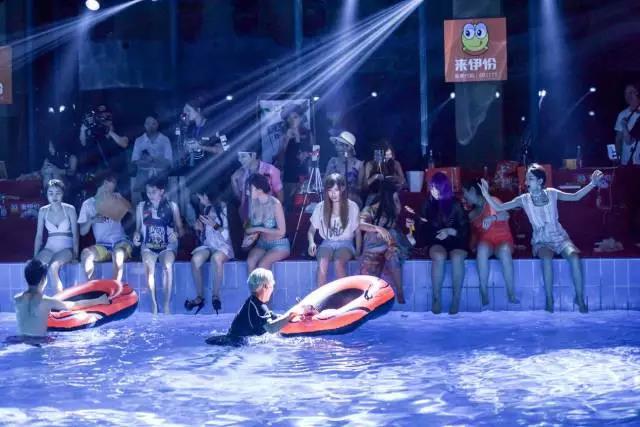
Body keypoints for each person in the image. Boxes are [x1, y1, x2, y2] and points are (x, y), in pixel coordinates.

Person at [479, 164, 604, 313]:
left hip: (560, 237)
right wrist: (486, 195)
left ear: (540, 181)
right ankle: (549, 300)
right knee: (546, 259)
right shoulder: (524, 199)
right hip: (541, 240)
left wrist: (592, 183)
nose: (526, 182)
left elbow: (575, 197)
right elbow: (500, 208)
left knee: (575, 257)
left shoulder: (552, 193)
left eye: (530, 179)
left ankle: (579, 298)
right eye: (526, 179)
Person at [13, 259, 109, 340]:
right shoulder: (46, 301)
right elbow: (74, 305)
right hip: (39, 341)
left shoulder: (17, 299)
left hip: (20, 339)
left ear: (26, 278)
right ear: (43, 280)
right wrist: (98, 300)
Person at [205, 268, 300, 346]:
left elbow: (271, 317)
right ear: (265, 286)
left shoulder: (254, 302)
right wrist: (289, 317)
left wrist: (289, 316)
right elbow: (271, 328)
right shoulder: (258, 307)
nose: (272, 289)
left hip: (234, 341)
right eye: (272, 285)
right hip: (236, 345)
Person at [418, 172, 469, 315]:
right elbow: (421, 228)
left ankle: (456, 298)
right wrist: (432, 234)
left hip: (456, 240)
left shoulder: (455, 204)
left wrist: (450, 231)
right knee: (439, 256)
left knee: (457, 257)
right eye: (432, 187)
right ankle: (436, 298)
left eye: (436, 188)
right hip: (436, 240)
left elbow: (465, 229)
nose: (433, 190)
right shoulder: (427, 204)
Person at [462, 179, 518, 306]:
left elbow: (506, 215)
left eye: (464, 193)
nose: (464, 197)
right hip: (486, 242)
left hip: (503, 240)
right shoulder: (472, 214)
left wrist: (493, 218)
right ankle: (483, 292)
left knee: (504, 251)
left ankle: (511, 293)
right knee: (481, 249)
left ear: (472, 191)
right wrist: (472, 246)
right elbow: (474, 235)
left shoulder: (492, 201)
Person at [133, 178, 184, 314]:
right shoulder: (141, 206)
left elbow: (181, 229)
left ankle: (166, 304)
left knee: (167, 266)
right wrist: (136, 236)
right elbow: (137, 229)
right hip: (148, 246)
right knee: (148, 266)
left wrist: (176, 234)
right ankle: (154, 303)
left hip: (167, 245)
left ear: (162, 191)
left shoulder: (172, 206)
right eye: (148, 192)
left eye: (153, 192)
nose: (150, 195)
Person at [359, 178, 408, 304]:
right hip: (373, 246)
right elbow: (360, 224)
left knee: (393, 257)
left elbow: (399, 212)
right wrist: (377, 228)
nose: (397, 203)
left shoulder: (393, 208)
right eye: (395, 199)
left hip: (391, 243)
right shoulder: (371, 209)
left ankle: (400, 291)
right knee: (369, 274)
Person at [308, 173, 361, 288]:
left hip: (346, 243)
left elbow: (357, 232)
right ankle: (321, 297)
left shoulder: (352, 206)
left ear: (342, 188)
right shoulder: (320, 207)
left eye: (336, 190)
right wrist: (311, 243)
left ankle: (346, 295)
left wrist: (358, 251)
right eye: (330, 190)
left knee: (338, 263)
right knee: (322, 264)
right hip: (327, 243)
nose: (333, 194)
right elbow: (311, 230)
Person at [185, 190, 234, 315]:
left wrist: (214, 225)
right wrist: (199, 229)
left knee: (216, 259)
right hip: (209, 245)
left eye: (201, 198)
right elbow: (205, 236)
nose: (200, 201)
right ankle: (200, 297)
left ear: (207, 195)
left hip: (224, 246)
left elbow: (228, 235)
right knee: (195, 260)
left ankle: (215, 296)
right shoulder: (206, 209)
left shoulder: (225, 209)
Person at [78, 172, 133, 282]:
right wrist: (92, 220)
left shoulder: (117, 197)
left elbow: (136, 214)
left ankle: (115, 288)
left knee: (118, 255)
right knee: (86, 255)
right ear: (105, 183)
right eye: (113, 182)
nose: (114, 186)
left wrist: (123, 201)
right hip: (102, 245)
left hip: (121, 242)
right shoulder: (88, 204)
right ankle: (93, 286)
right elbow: (82, 232)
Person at [33, 179, 79, 294]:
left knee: (53, 267)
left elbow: (75, 234)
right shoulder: (43, 211)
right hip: (49, 247)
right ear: (47, 195)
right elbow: (39, 236)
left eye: (58, 193)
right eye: (51, 193)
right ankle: (37, 299)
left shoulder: (70, 209)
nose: (54, 196)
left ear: (63, 194)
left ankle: (60, 300)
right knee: (37, 268)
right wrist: (35, 256)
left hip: (66, 248)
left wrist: (76, 255)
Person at [244, 173, 290, 273]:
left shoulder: (275, 204)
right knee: (250, 262)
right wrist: (250, 236)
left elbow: (282, 231)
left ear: (259, 190)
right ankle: (252, 284)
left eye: (249, 189)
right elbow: (248, 226)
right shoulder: (253, 203)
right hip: (262, 243)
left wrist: (259, 229)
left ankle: (266, 284)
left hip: (279, 244)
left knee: (262, 265)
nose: (247, 192)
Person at [131, 115, 173, 205]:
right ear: (144, 125)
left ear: (157, 124)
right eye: (148, 123)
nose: (150, 126)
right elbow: (135, 160)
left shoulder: (165, 140)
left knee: (163, 203)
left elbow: (169, 161)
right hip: (143, 178)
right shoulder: (139, 140)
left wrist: (154, 160)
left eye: (153, 123)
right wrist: (146, 161)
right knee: (146, 203)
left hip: (161, 176)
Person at [231, 150, 284, 221]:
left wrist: (276, 214)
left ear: (253, 155)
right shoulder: (241, 173)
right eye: (239, 157)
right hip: (250, 217)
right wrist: (233, 180)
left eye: (243, 156)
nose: (239, 160)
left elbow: (279, 194)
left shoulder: (270, 170)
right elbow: (241, 198)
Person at [279, 103, 313, 209]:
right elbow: (280, 159)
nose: (292, 120)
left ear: (300, 118)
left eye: (295, 117)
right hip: (289, 174)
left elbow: (315, 153)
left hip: (304, 173)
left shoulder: (307, 133)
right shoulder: (284, 134)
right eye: (289, 118)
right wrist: (286, 140)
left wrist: (307, 153)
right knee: (288, 205)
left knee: (304, 204)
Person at [325, 131, 365, 207]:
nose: (336, 147)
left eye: (339, 144)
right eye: (336, 144)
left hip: (352, 201)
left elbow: (360, 188)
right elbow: (325, 181)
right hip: (333, 199)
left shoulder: (358, 164)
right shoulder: (332, 161)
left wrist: (349, 187)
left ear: (348, 147)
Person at [363, 141, 406, 205]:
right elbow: (364, 186)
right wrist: (375, 177)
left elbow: (403, 182)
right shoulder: (370, 164)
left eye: (389, 155)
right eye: (385, 155)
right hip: (374, 195)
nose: (387, 158)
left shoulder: (395, 164)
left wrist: (395, 178)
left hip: (391, 196)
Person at [614, 83, 640, 166]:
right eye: (626, 93)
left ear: (637, 93)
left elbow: (629, 140)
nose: (628, 96)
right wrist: (617, 157)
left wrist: (624, 126)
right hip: (626, 161)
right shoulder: (622, 114)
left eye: (631, 92)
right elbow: (618, 139)